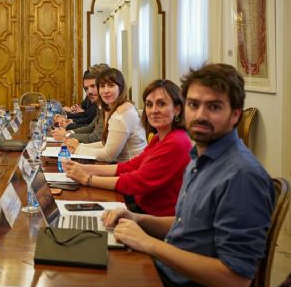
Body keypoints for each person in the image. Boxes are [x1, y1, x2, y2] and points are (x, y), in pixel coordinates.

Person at [102, 63, 275, 287]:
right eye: (194, 105)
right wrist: (139, 220)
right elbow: (189, 223)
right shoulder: (199, 157)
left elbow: (235, 281)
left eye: (214, 106)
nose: (200, 115)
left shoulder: (242, 175)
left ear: (235, 114)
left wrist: (148, 244)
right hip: (172, 275)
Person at [64, 79, 192, 216]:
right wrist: (84, 168)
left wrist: (87, 179)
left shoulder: (177, 142)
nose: (154, 110)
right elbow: (130, 166)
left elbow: (137, 181)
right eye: (149, 105)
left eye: (161, 104)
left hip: (154, 216)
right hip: (140, 204)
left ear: (177, 109)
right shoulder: (159, 138)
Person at [69, 68, 146, 162]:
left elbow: (108, 155)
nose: (106, 90)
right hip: (120, 166)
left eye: (111, 85)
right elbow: (106, 144)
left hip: (131, 170)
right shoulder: (114, 108)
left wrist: (78, 149)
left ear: (120, 88)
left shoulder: (122, 114)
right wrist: (80, 146)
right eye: (102, 86)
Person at [53, 64, 107, 129]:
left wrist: (68, 124)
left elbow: (91, 129)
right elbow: (89, 122)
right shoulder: (94, 99)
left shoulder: (108, 106)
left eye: (93, 86)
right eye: (86, 88)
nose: (89, 91)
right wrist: (66, 117)